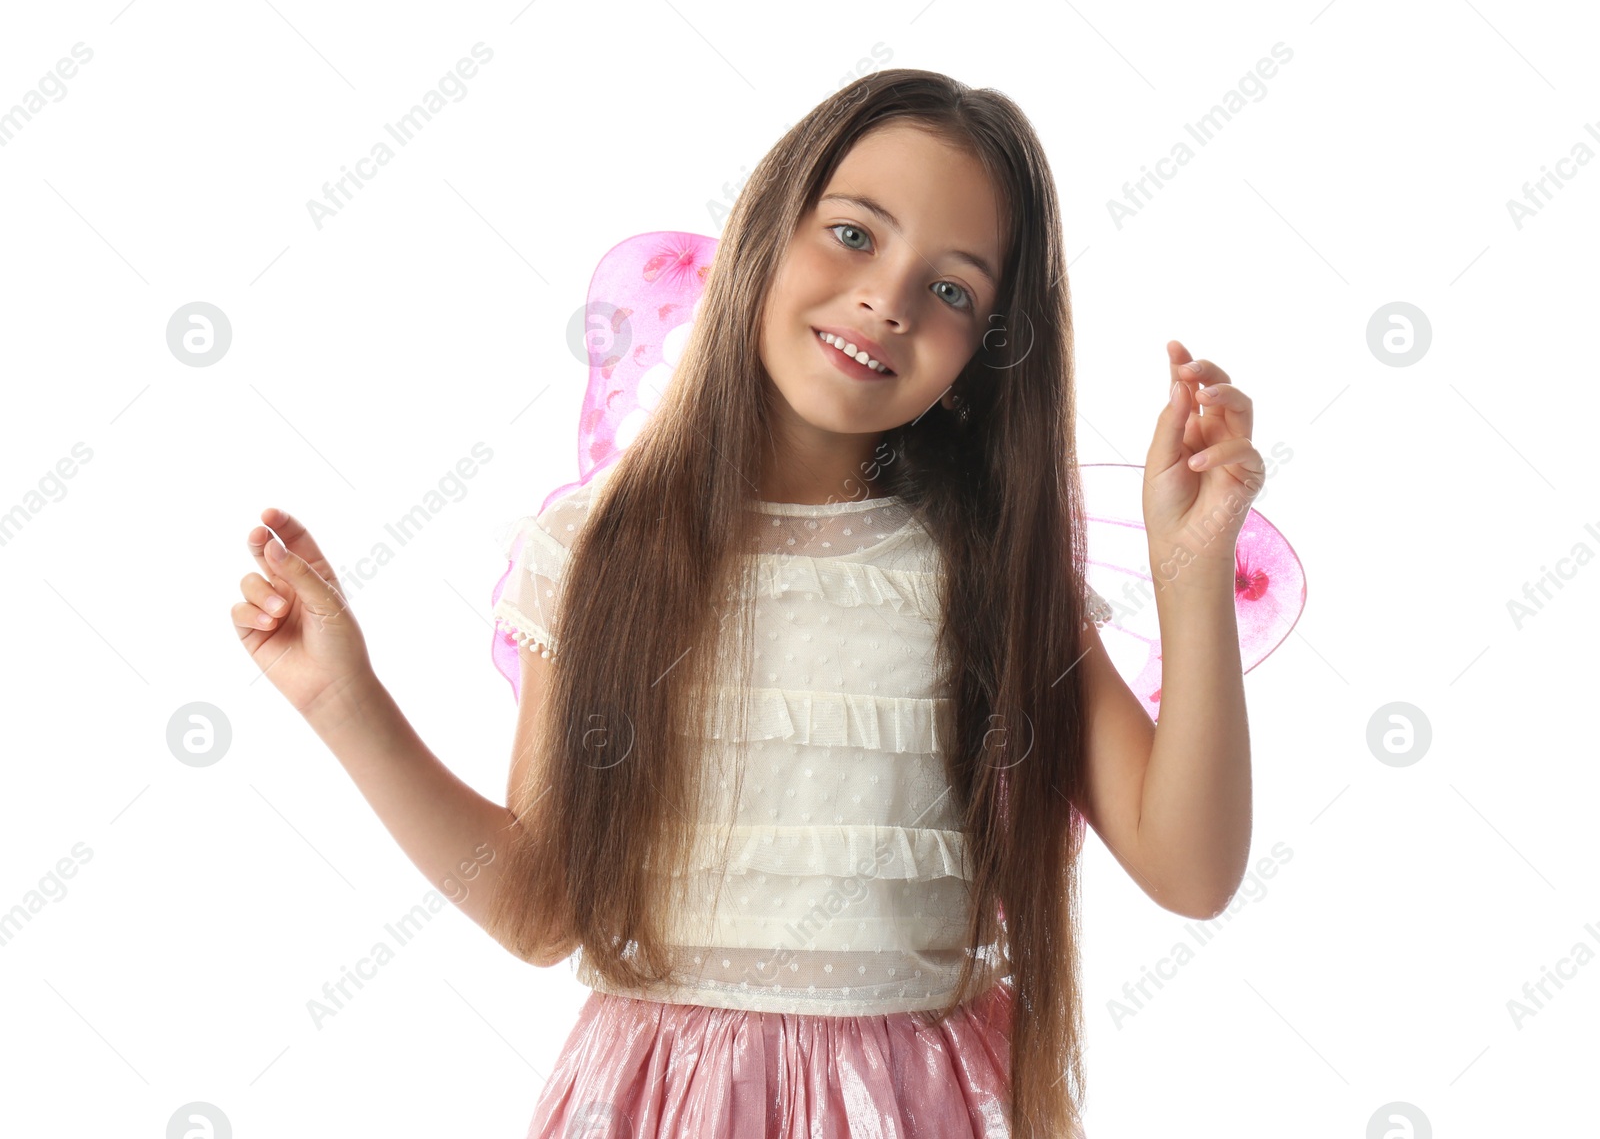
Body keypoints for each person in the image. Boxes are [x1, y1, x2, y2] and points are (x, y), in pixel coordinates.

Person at [232, 68, 1263, 1138]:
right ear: (763, 232)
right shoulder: (604, 550)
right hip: (655, 1104)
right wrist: (344, 703)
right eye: (855, 234)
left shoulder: (989, 575)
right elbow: (539, 907)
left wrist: (1191, 571)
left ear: (979, 361)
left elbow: (1190, 869)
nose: (889, 299)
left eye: (951, 290)